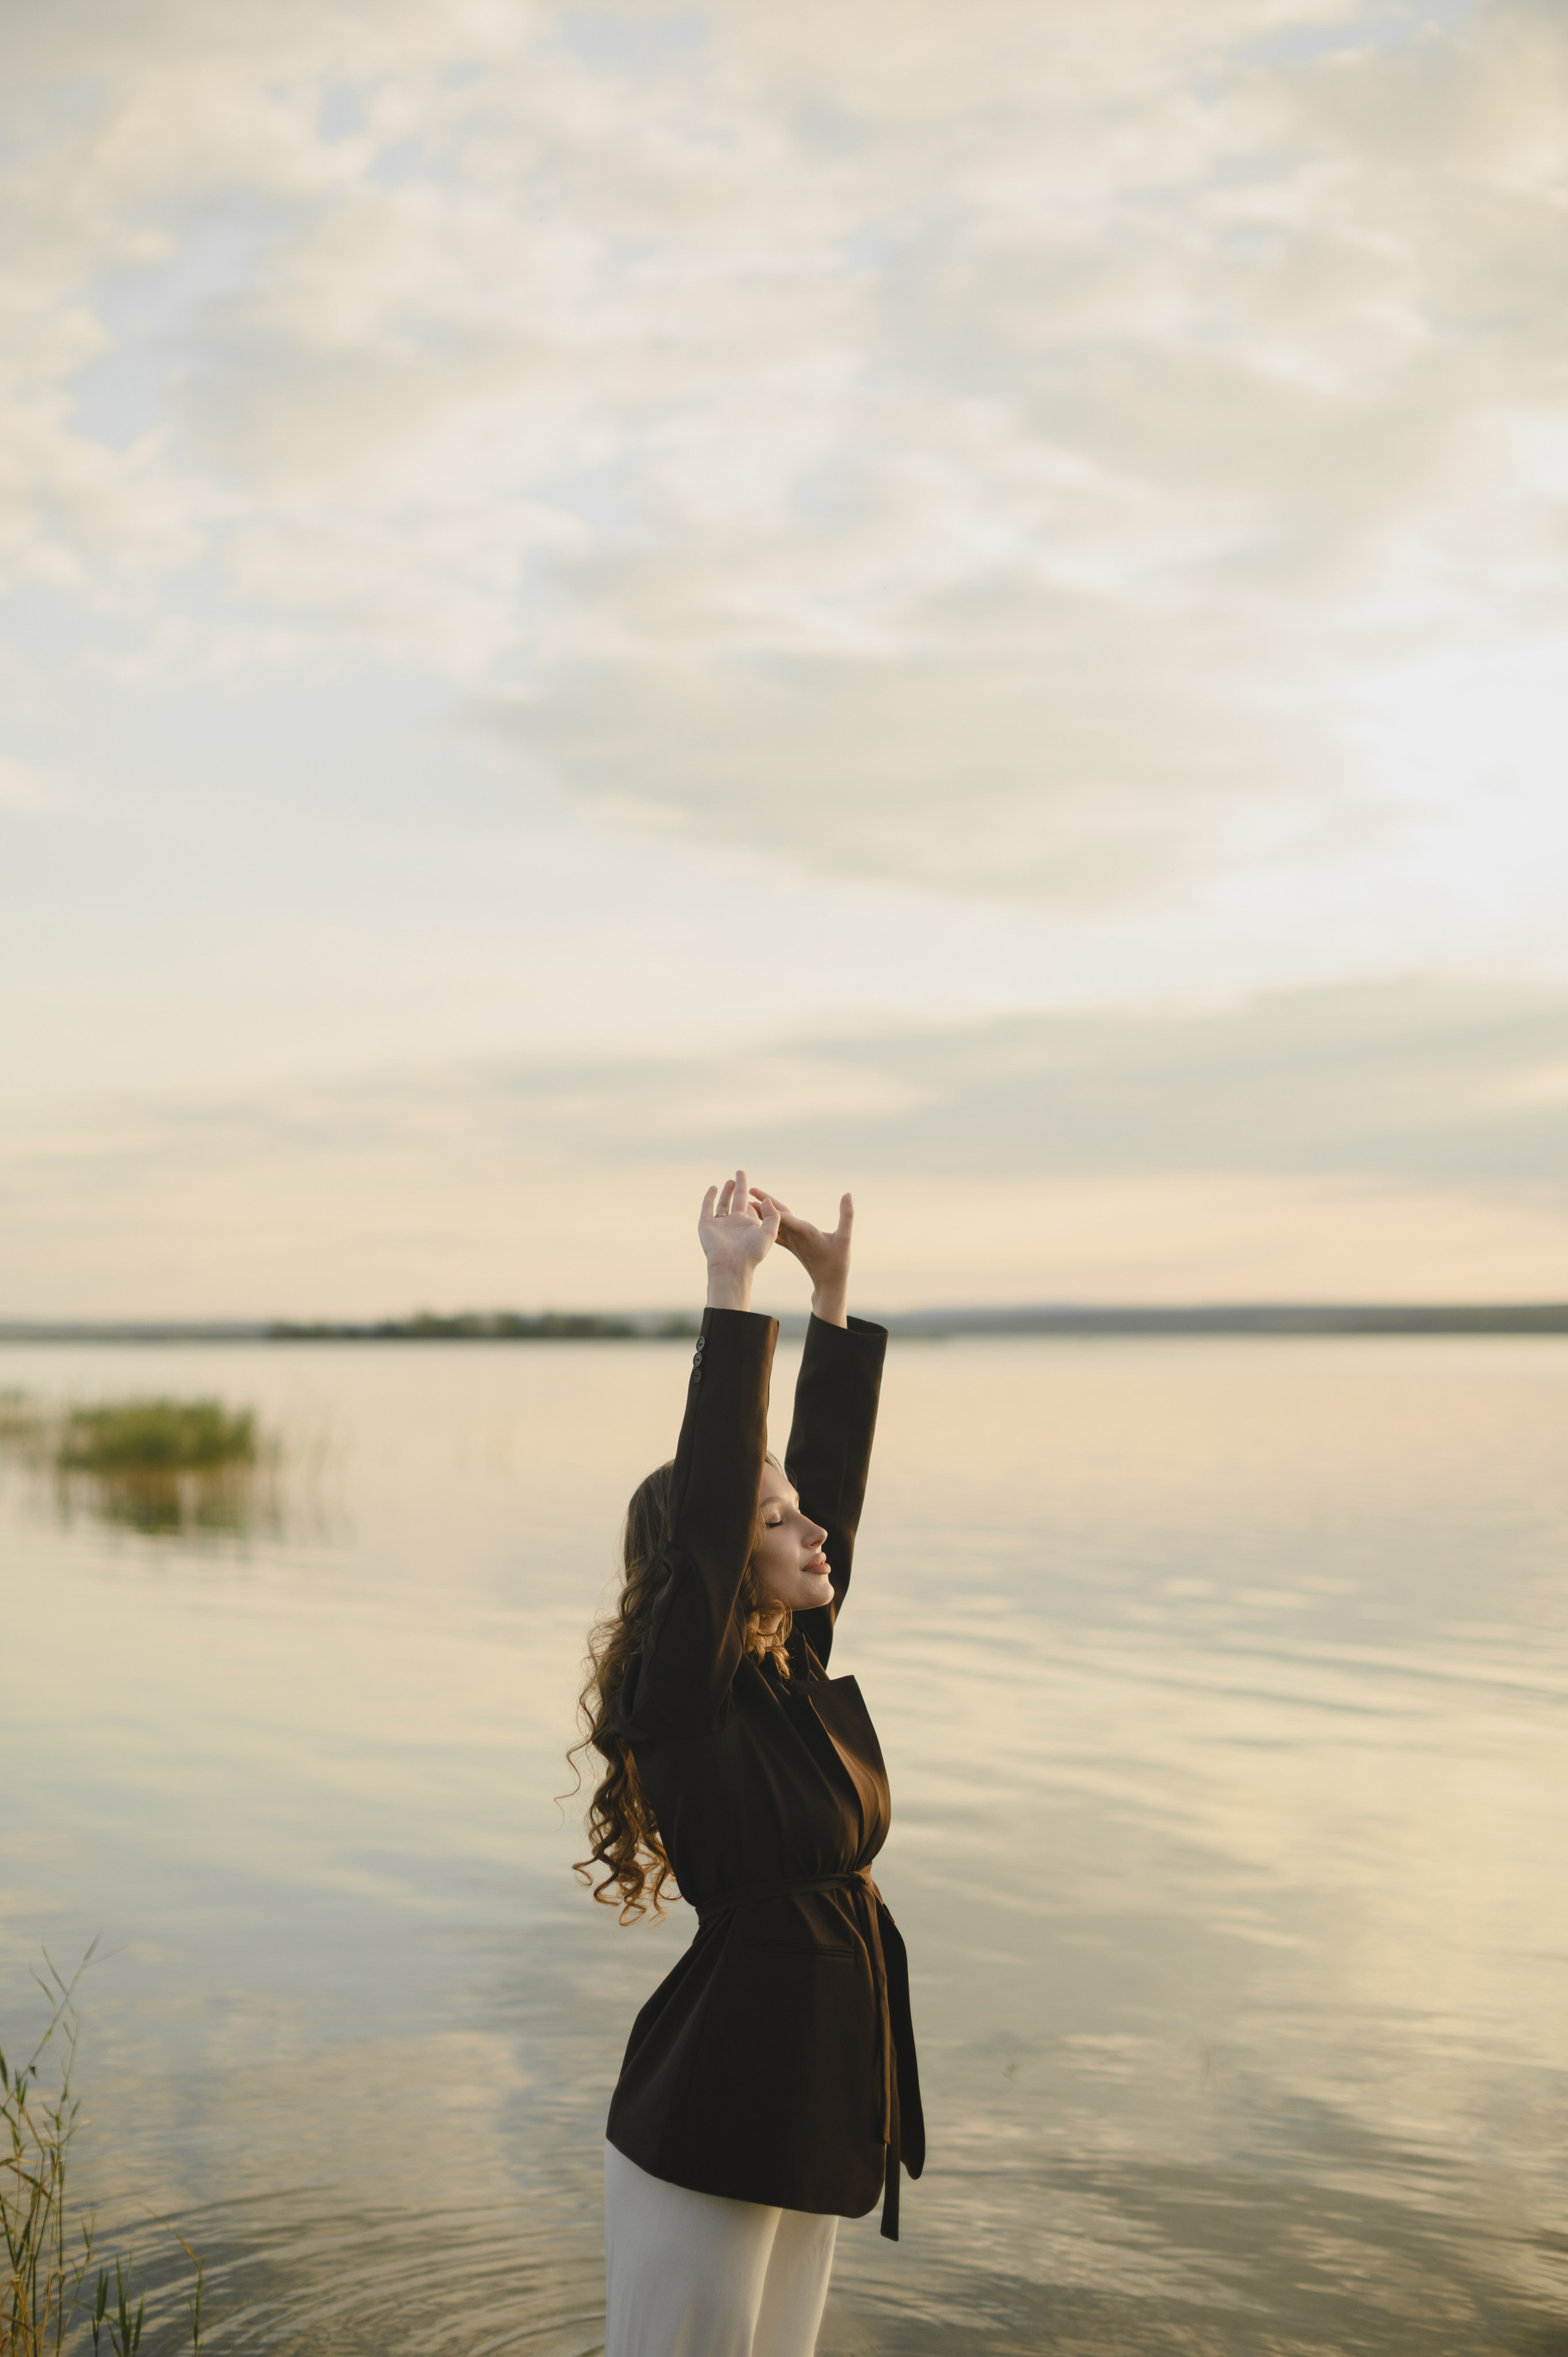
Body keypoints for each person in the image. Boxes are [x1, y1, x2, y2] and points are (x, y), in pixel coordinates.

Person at [572, 1170, 924, 2357]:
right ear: (718, 1557)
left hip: (817, 2086)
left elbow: (828, 1482)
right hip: (718, 2098)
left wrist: (830, 1299)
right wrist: (729, 1287)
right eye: (774, 1521)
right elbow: (720, 1496)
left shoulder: (788, 1676)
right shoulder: (680, 1696)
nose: (810, 1531)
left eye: (797, 1512)